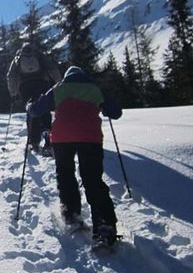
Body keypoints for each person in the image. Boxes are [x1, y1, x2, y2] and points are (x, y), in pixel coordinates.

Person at [26, 65, 122, 247]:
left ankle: (71, 213)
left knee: (65, 173)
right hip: (90, 137)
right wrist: (103, 107)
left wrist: (29, 105)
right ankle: (104, 224)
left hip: (63, 138)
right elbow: (116, 112)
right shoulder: (95, 89)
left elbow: (37, 110)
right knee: (93, 178)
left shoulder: (59, 88)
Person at [7, 41, 61, 152]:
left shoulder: (18, 58)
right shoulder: (39, 55)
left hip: (25, 87)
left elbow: (11, 76)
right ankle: (48, 136)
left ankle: (33, 140)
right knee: (44, 108)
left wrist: (13, 92)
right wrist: (60, 82)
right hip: (41, 84)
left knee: (31, 111)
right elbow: (52, 68)